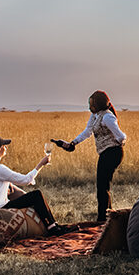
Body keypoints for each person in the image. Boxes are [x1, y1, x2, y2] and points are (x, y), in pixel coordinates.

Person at [0, 135, 76, 236]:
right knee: (36, 195)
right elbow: (25, 180)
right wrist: (41, 164)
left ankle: (53, 225)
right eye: (4, 146)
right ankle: (52, 228)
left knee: (32, 197)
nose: (6, 148)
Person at [54, 90, 127, 222]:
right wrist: (72, 143)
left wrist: (117, 144)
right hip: (106, 153)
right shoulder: (95, 116)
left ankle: (102, 219)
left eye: (92, 105)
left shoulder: (107, 117)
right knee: (102, 186)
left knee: (102, 187)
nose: (89, 107)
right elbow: (87, 131)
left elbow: (121, 136)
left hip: (112, 152)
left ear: (98, 105)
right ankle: (107, 218)